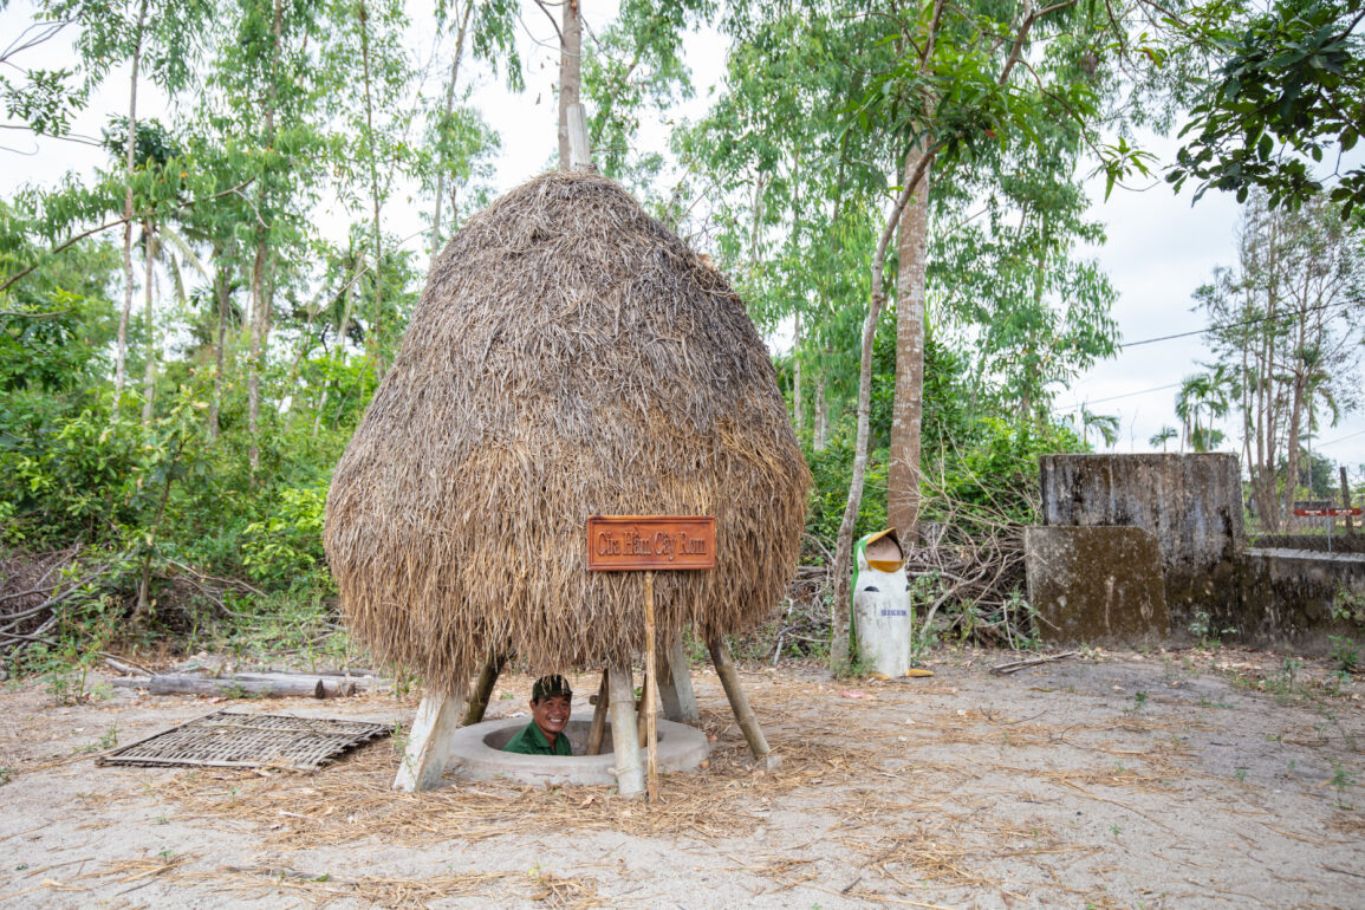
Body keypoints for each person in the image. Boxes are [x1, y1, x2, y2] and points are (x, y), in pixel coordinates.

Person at [502, 674, 574, 755]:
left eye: (564, 704)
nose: (557, 711)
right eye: (549, 704)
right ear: (533, 706)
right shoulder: (521, 751)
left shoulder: (562, 740)